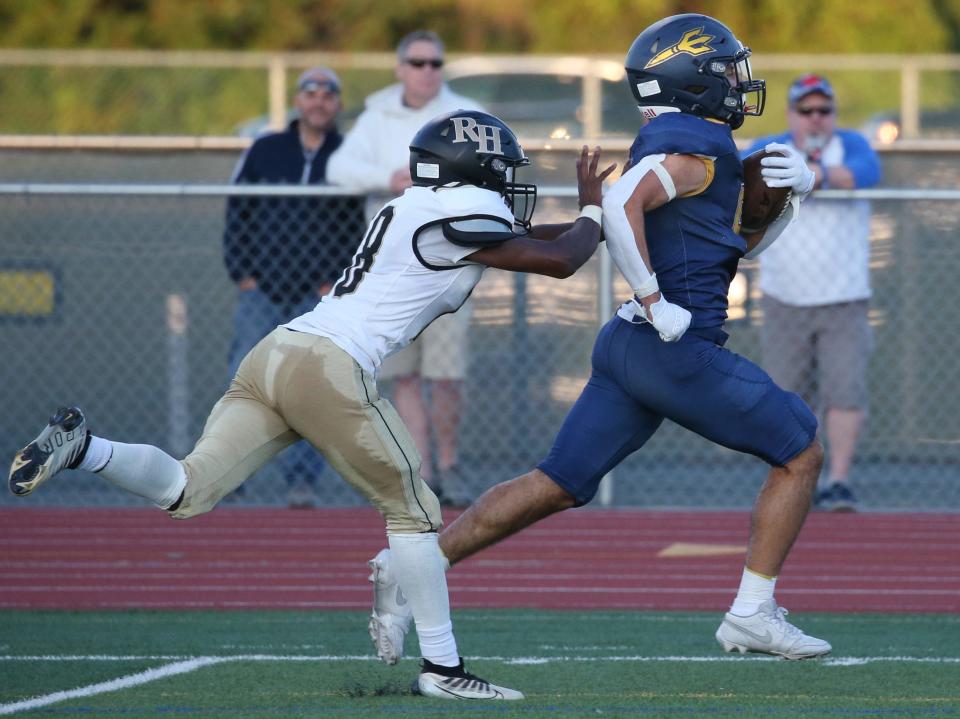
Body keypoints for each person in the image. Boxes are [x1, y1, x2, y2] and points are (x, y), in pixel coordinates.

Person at [9, 109, 615, 700]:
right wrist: (592, 207)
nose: (510, 185)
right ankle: (443, 667)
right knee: (418, 513)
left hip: (277, 352)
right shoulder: (464, 208)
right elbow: (562, 262)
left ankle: (84, 447)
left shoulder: (417, 206)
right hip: (330, 365)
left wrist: (595, 220)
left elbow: (529, 240)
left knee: (188, 489)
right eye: (502, 170)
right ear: (473, 171)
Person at [366, 13, 835, 667]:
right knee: (802, 449)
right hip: (671, 347)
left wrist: (790, 200)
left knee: (556, 482)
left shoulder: (700, 150)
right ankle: (752, 612)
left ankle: (406, 566)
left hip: (632, 345)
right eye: (726, 70)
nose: (737, 82)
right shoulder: (691, 150)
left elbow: (733, 251)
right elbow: (618, 206)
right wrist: (654, 298)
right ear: (692, 80)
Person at [327, 30, 485, 507]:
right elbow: (338, 168)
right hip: (394, 272)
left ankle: (451, 465)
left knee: (447, 374)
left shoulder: (465, 112)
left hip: (449, 264)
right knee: (405, 376)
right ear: (400, 68)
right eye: (417, 63)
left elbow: (488, 171)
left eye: (435, 63)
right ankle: (423, 471)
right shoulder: (377, 116)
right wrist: (388, 177)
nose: (427, 71)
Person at [223, 66, 364, 508]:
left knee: (307, 389)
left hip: (318, 297)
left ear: (338, 103)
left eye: (328, 93)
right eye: (310, 92)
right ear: (298, 101)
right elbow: (237, 211)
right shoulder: (266, 150)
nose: (319, 100)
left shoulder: (348, 155)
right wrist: (242, 273)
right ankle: (227, 471)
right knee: (248, 381)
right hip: (261, 289)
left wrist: (336, 284)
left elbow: (358, 227)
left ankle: (301, 481)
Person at [743, 74, 881, 513]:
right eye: (807, 111)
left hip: (844, 297)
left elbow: (866, 173)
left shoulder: (852, 144)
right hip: (784, 296)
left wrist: (814, 175)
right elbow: (745, 172)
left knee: (845, 392)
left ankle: (838, 481)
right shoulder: (772, 145)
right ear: (791, 115)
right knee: (788, 397)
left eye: (823, 110)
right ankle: (795, 476)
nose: (816, 118)